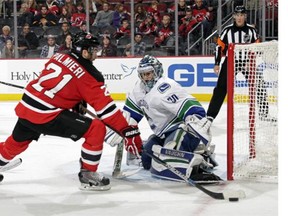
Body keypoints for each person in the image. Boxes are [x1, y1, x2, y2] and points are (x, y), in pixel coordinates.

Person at [0, 32, 142, 191]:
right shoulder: (91, 75)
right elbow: (107, 110)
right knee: (96, 129)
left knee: (15, 142)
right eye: (94, 50)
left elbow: (59, 85)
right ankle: (88, 175)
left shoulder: (59, 56)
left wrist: (74, 102)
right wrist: (128, 132)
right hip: (46, 114)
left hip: (27, 106)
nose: (97, 54)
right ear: (85, 52)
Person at [105, 55, 220, 182]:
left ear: (157, 71)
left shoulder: (167, 87)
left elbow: (193, 108)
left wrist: (195, 120)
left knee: (169, 159)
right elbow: (130, 115)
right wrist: (123, 130)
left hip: (180, 129)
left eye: (148, 73)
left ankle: (201, 160)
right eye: (143, 74)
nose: (146, 78)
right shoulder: (138, 89)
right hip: (162, 134)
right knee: (147, 161)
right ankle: (194, 151)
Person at [206, 5, 272, 124]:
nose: (240, 18)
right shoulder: (227, 30)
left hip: (247, 62)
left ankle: (264, 113)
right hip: (230, 61)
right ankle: (210, 116)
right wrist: (217, 63)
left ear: (245, 16)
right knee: (220, 88)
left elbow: (257, 47)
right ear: (234, 16)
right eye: (237, 15)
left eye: (242, 15)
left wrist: (250, 61)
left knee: (259, 85)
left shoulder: (252, 31)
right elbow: (219, 47)